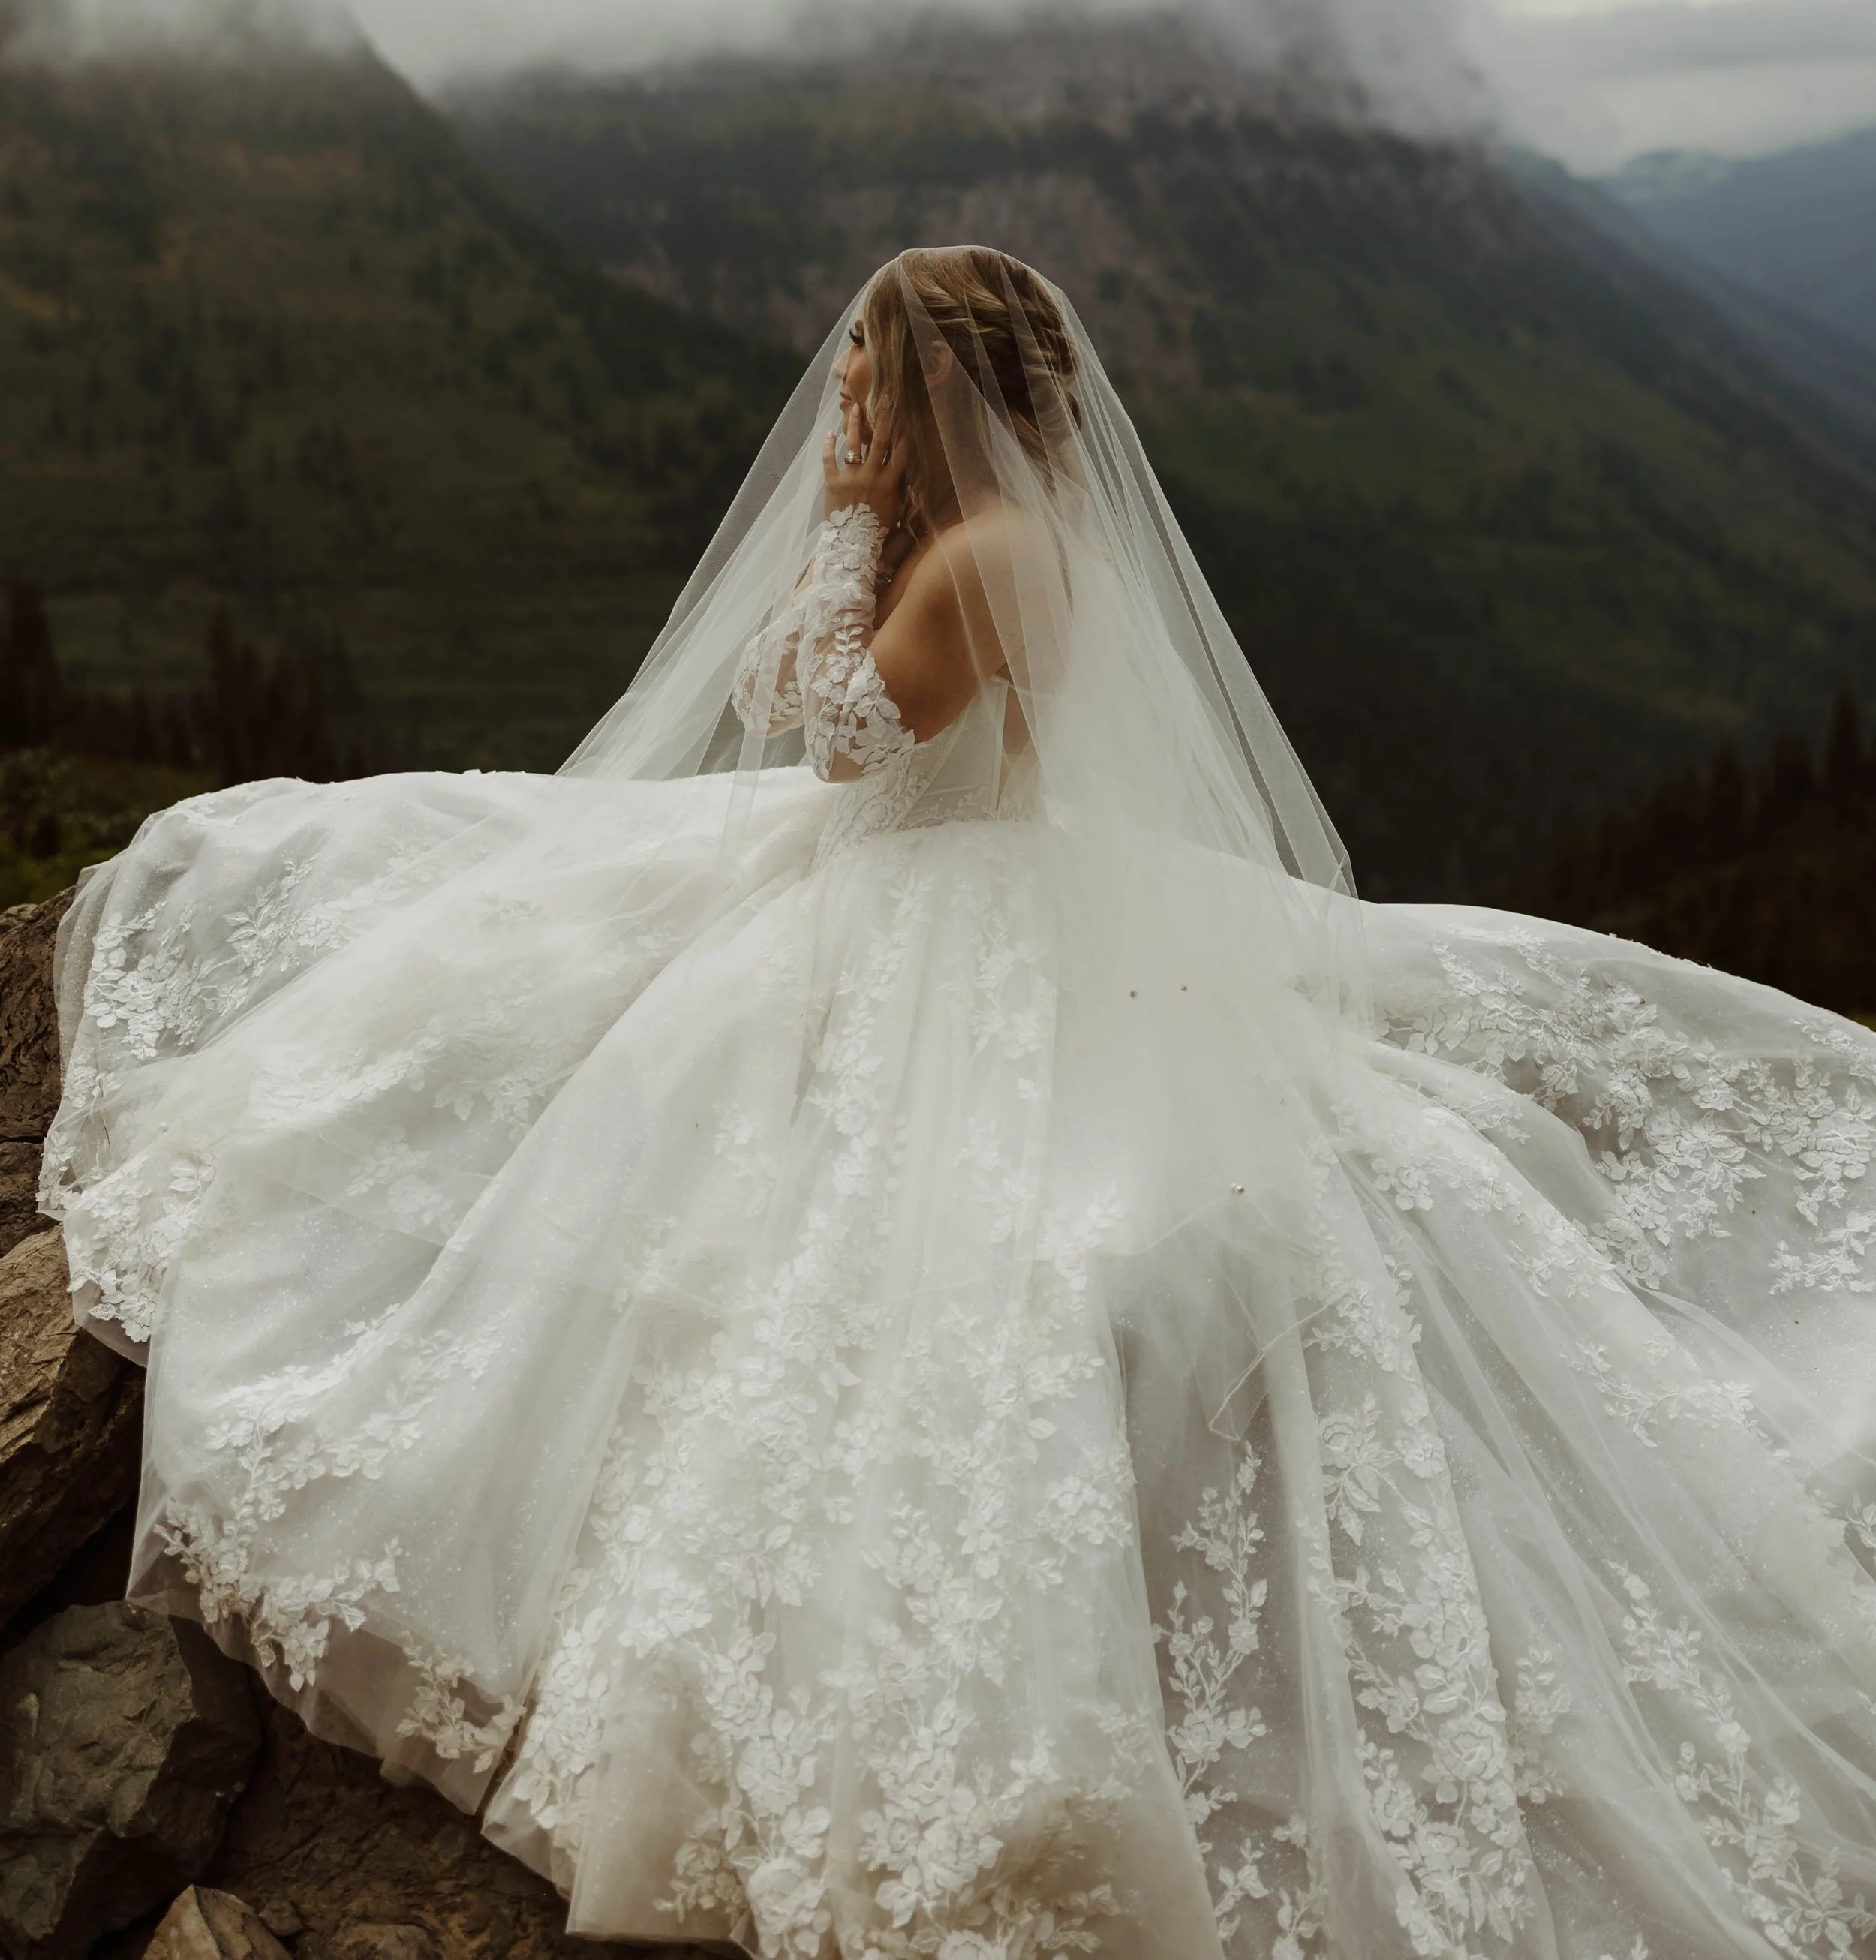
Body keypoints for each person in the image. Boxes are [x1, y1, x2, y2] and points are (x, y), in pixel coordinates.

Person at [40, 245, 1876, 1960]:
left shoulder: (986, 546)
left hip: (943, 914)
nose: (834, 377)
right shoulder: (954, 528)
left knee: (922, 1240)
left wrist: (838, 533)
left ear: (934, 384)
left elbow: (839, 731)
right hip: (878, 873)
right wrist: (846, 544)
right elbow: (809, 707)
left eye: (862, 355)